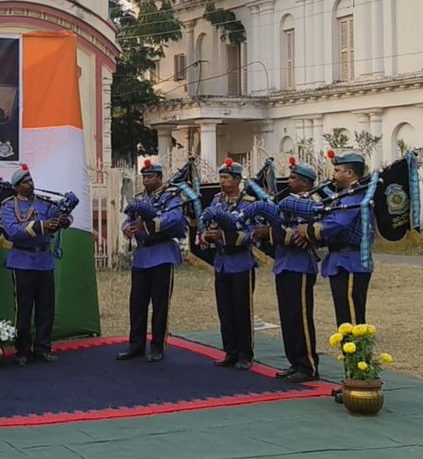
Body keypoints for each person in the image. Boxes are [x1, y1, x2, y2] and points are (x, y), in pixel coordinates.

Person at [0, 164, 71, 365]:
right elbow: (13, 232)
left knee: (46, 307)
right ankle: (22, 351)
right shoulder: (8, 206)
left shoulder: (43, 203)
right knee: (24, 308)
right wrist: (42, 226)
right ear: (17, 187)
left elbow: (59, 217)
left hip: (44, 261)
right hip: (22, 261)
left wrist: (64, 220)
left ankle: (43, 348)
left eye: (31, 180)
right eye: (26, 182)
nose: (31, 184)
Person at [117, 160, 186, 363]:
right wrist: (127, 228)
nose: (146, 180)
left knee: (160, 304)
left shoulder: (170, 198)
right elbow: (128, 218)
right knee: (137, 304)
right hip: (141, 257)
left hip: (162, 253)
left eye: (150, 176)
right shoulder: (140, 199)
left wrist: (147, 224)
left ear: (159, 178)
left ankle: (157, 346)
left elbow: (174, 218)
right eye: (144, 176)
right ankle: (136, 345)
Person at [264, 160, 321, 383]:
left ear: (305, 183)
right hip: (284, 263)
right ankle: (294, 361)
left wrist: (283, 234)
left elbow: (311, 232)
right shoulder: (285, 202)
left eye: (293, 178)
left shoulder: (312, 203)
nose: (289, 181)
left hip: (301, 265)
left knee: (301, 316)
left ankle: (308, 365)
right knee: (287, 316)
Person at [199, 158, 256, 370]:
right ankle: (230, 351)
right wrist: (205, 236)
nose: (222, 182)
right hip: (222, 261)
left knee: (242, 309)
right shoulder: (216, 201)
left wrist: (224, 236)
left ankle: (245, 353)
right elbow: (207, 223)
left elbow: (253, 233)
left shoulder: (248, 202)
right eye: (221, 177)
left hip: (240, 261)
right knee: (225, 309)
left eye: (226, 178)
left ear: (238, 180)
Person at [318, 153, 373, 327]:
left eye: (337, 170)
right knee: (344, 317)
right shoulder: (344, 195)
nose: (333, 175)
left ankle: (355, 354)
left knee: (352, 317)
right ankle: (348, 352)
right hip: (342, 260)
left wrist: (312, 231)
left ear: (349, 173)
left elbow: (338, 221)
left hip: (350, 262)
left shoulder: (355, 196)